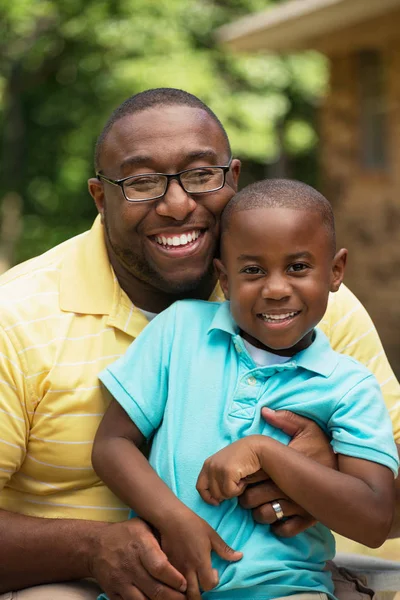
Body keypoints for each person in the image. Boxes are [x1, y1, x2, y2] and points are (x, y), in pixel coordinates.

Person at [0, 88, 398, 600]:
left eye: (200, 175)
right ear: (102, 198)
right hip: (75, 579)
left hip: (278, 580)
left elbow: (380, 502)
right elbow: (114, 446)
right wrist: (90, 549)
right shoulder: (18, 318)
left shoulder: (311, 307)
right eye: (142, 182)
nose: (176, 204)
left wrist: (320, 471)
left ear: (232, 179)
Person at [92, 179, 398, 600]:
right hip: (160, 584)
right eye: (252, 270)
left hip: (284, 589)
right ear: (224, 277)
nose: (275, 289)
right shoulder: (179, 332)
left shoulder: (350, 387)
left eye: (298, 268)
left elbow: (374, 518)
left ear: (336, 271)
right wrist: (174, 518)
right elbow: (112, 445)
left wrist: (264, 452)